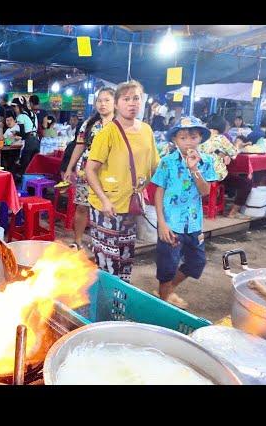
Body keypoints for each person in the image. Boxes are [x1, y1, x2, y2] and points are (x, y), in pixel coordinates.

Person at [85, 80, 160, 282]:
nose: (132, 103)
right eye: (126, 99)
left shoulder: (146, 131)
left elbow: (155, 165)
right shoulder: (107, 133)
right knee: (108, 258)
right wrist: (104, 200)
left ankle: (121, 298)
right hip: (106, 207)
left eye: (136, 98)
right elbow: (90, 170)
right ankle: (106, 302)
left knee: (126, 256)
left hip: (131, 205)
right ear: (117, 104)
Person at [151, 116, 217, 309]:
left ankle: (167, 290)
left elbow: (205, 191)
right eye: (182, 137)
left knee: (197, 262)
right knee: (167, 267)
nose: (188, 141)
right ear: (174, 140)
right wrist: (161, 223)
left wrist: (194, 167)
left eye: (193, 137)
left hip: (194, 224)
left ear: (200, 139)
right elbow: (159, 192)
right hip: (171, 224)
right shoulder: (167, 162)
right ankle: (162, 305)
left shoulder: (206, 162)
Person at [63, 87, 115, 251]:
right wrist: (69, 168)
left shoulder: (119, 124)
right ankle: (77, 241)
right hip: (86, 171)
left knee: (105, 209)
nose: (102, 104)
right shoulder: (90, 123)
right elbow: (79, 146)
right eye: (99, 100)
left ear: (115, 103)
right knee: (82, 207)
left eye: (107, 100)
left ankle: (101, 243)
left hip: (110, 174)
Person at [200, 116, 251, 219]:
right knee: (246, 183)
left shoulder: (200, 137)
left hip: (198, 174)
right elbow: (234, 154)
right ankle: (233, 212)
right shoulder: (221, 138)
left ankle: (214, 200)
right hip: (214, 176)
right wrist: (238, 144)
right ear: (222, 127)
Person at [11, 96, 40, 172]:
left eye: (14, 107)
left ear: (18, 106)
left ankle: (22, 181)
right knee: (32, 165)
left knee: (24, 165)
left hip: (29, 142)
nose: (14, 109)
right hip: (37, 140)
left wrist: (16, 134)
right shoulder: (33, 114)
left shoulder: (21, 116)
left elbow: (23, 134)